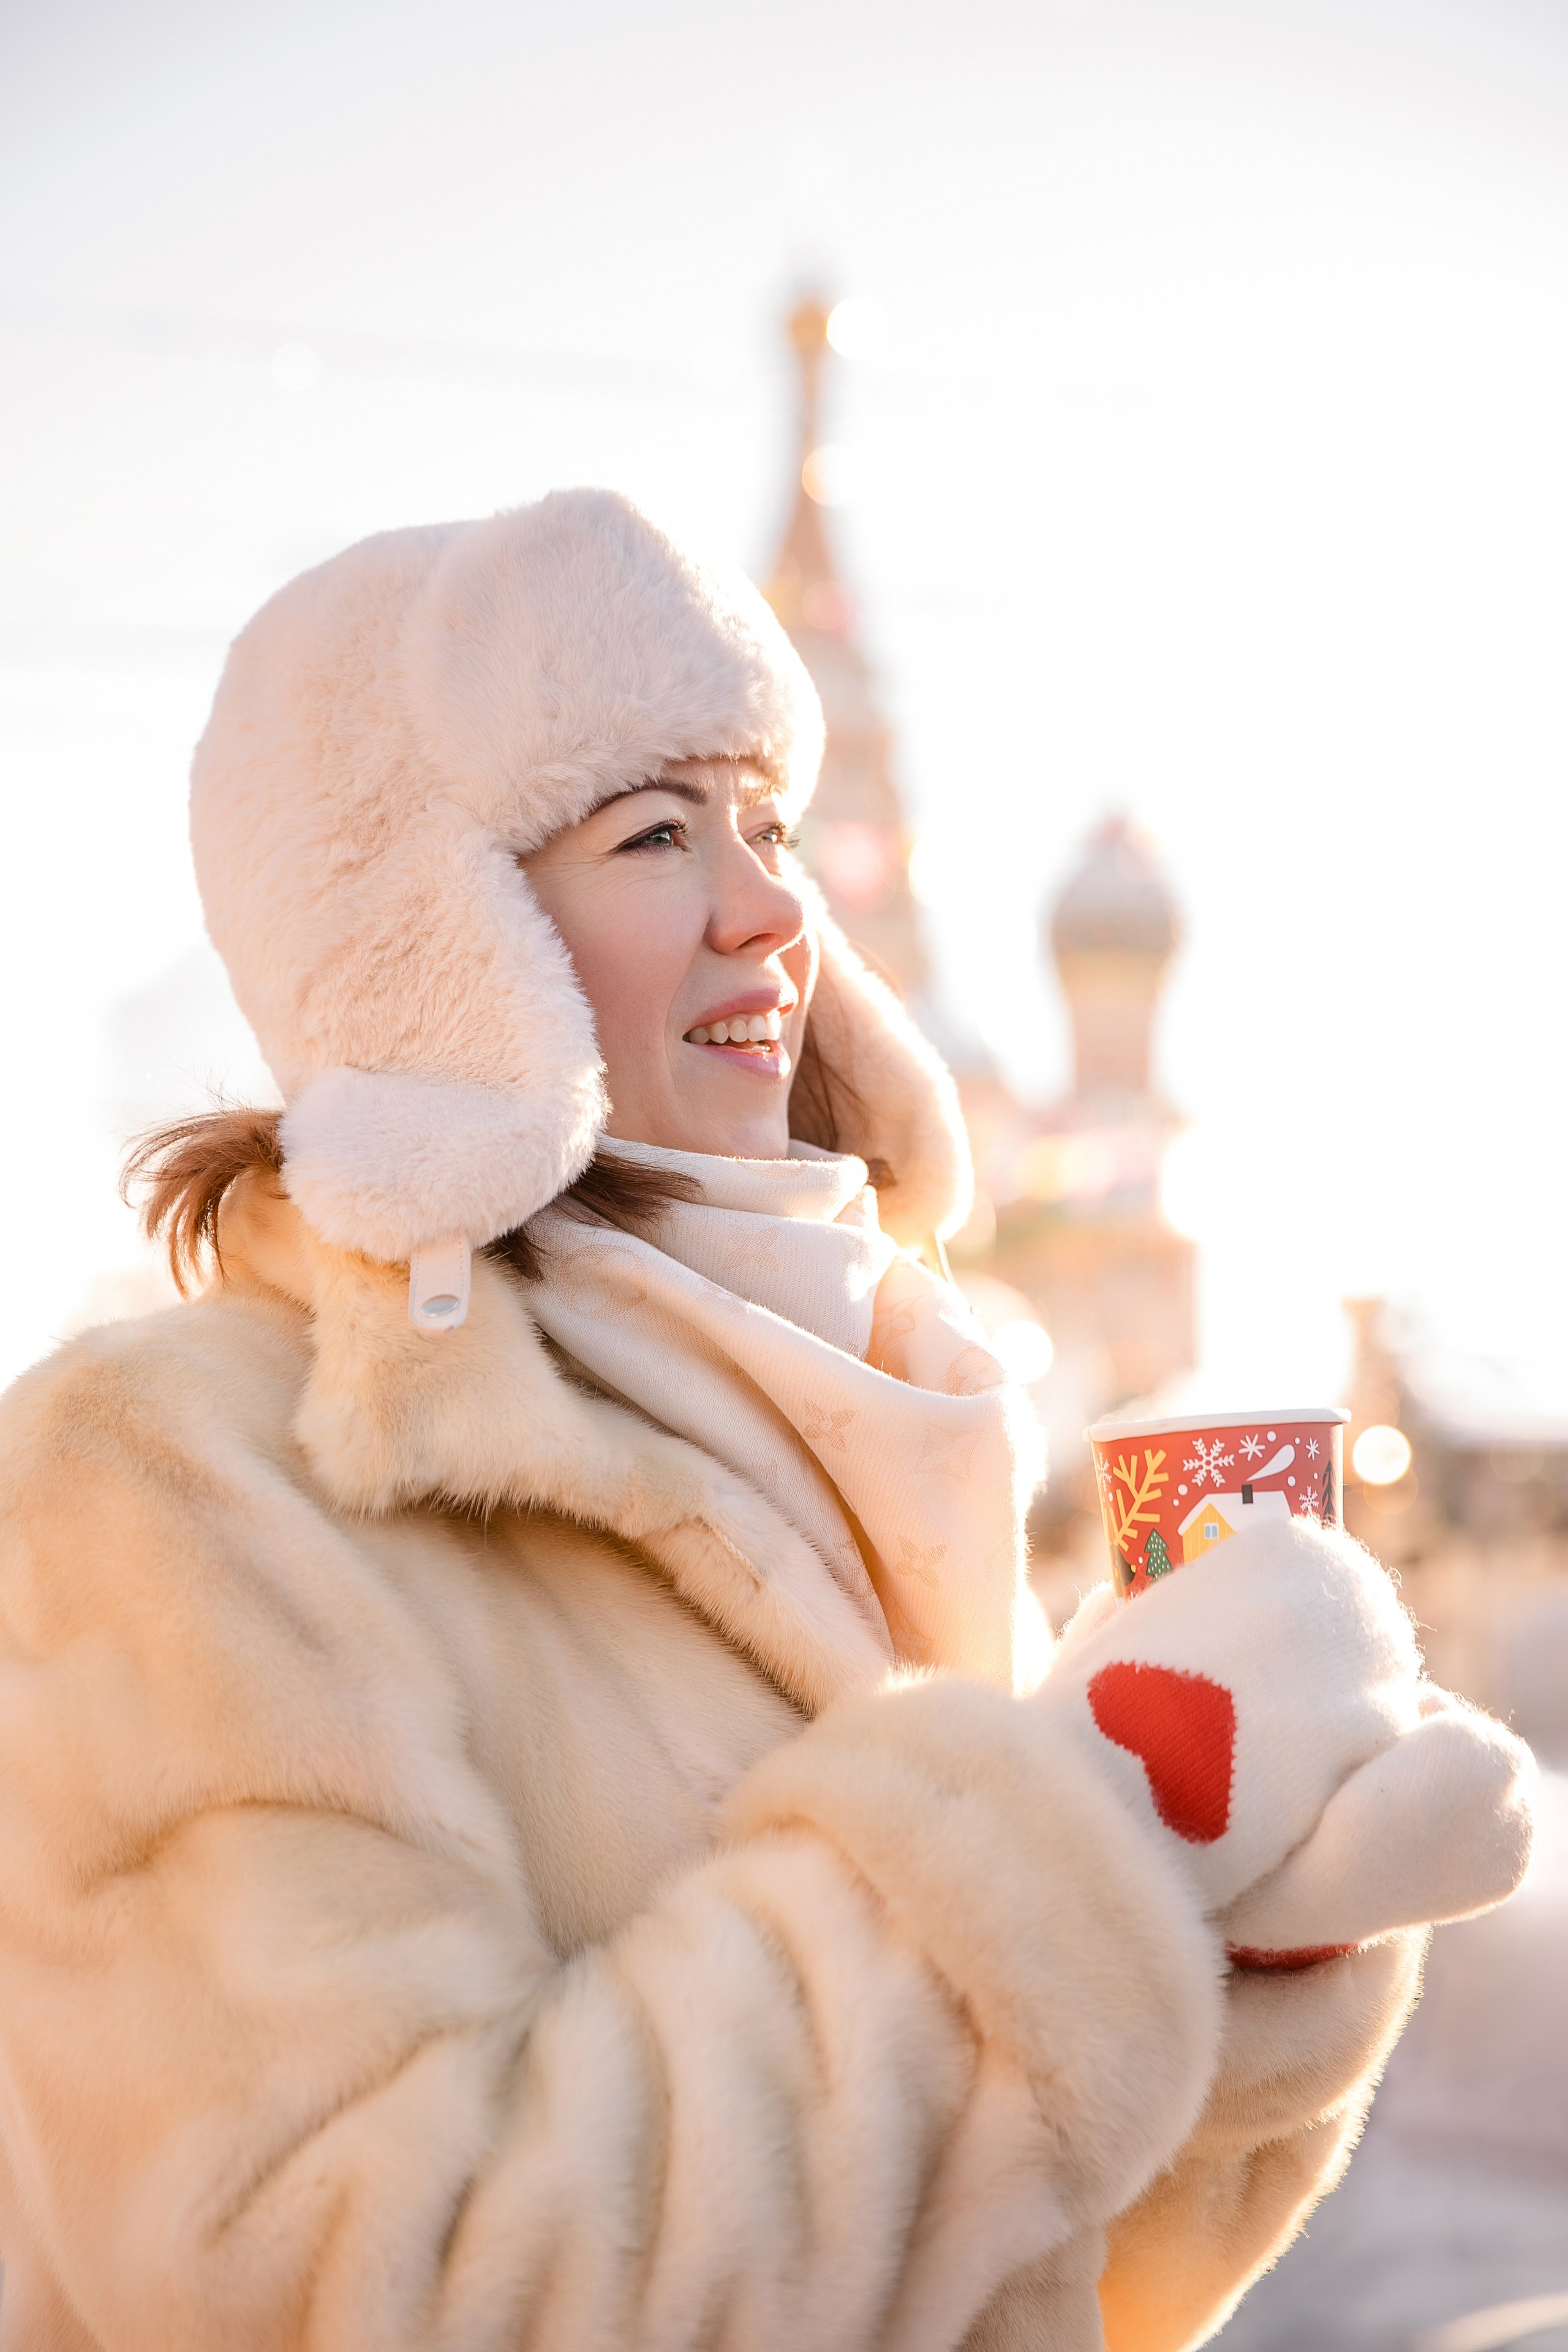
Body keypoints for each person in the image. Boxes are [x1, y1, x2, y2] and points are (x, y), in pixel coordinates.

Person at [0, 491, 1535, 2352]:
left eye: (773, 824)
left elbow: (1062, 2295)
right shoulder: (176, 1473)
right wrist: (1084, 1829)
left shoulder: (859, 1421)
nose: (775, 910)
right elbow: (341, 2284)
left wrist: (1235, 1929)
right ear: (434, 943)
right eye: (659, 834)